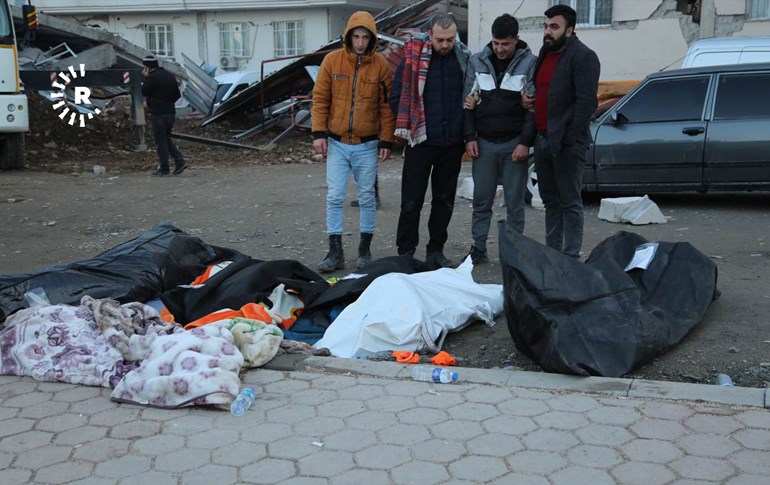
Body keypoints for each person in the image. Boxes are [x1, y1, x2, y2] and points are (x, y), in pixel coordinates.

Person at [512, 4, 600, 259]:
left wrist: (568, 138)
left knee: (570, 202)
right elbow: (545, 91)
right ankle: (553, 255)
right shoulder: (545, 52)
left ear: (569, 30)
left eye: (554, 27)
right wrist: (530, 101)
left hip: (568, 143)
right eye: (546, 26)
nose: (548, 32)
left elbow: (587, 103)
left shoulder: (584, 57)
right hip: (543, 139)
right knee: (550, 201)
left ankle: (570, 257)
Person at [311, 11, 395, 273]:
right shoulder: (332, 62)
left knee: (367, 197)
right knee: (334, 197)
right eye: (356, 37)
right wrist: (319, 133)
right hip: (336, 143)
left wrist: (386, 140)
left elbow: (387, 106)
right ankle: (334, 252)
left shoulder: (381, 65)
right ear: (348, 36)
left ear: (372, 39)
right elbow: (320, 98)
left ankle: (364, 251)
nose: (360, 42)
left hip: (367, 144)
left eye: (365, 37)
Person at [390, 13, 470, 269]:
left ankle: (436, 250)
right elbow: (397, 97)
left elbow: (470, 99)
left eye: (450, 39)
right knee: (411, 201)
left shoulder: (463, 59)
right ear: (430, 35)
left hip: (452, 143)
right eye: (440, 40)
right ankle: (406, 252)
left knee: (444, 201)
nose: (445, 45)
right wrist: (410, 124)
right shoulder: (412, 59)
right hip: (420, 143)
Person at [462, 14, 536, 265]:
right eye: (496, 43)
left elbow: (533, 109)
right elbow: (467, 104)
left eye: (505, 43)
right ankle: (479, 247)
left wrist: (525, 142)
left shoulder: (530, 64)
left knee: (515, 202)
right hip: (483, 144)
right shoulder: (476, 61)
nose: (500, 49)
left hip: (514, 143)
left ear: (516, 39)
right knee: (482, 200)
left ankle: (513, 250)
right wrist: (470, 137)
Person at [141, 54, 187, 177]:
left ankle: (164, 168)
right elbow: (177, 94)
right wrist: (168, 102)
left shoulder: (151, 78)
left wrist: (145, 78)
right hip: (170, 112)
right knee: (166, 138)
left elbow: (144, 92)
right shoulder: (169, 76)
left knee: (161, 141)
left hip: (158, 113)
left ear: (147, 67)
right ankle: (179, 161)